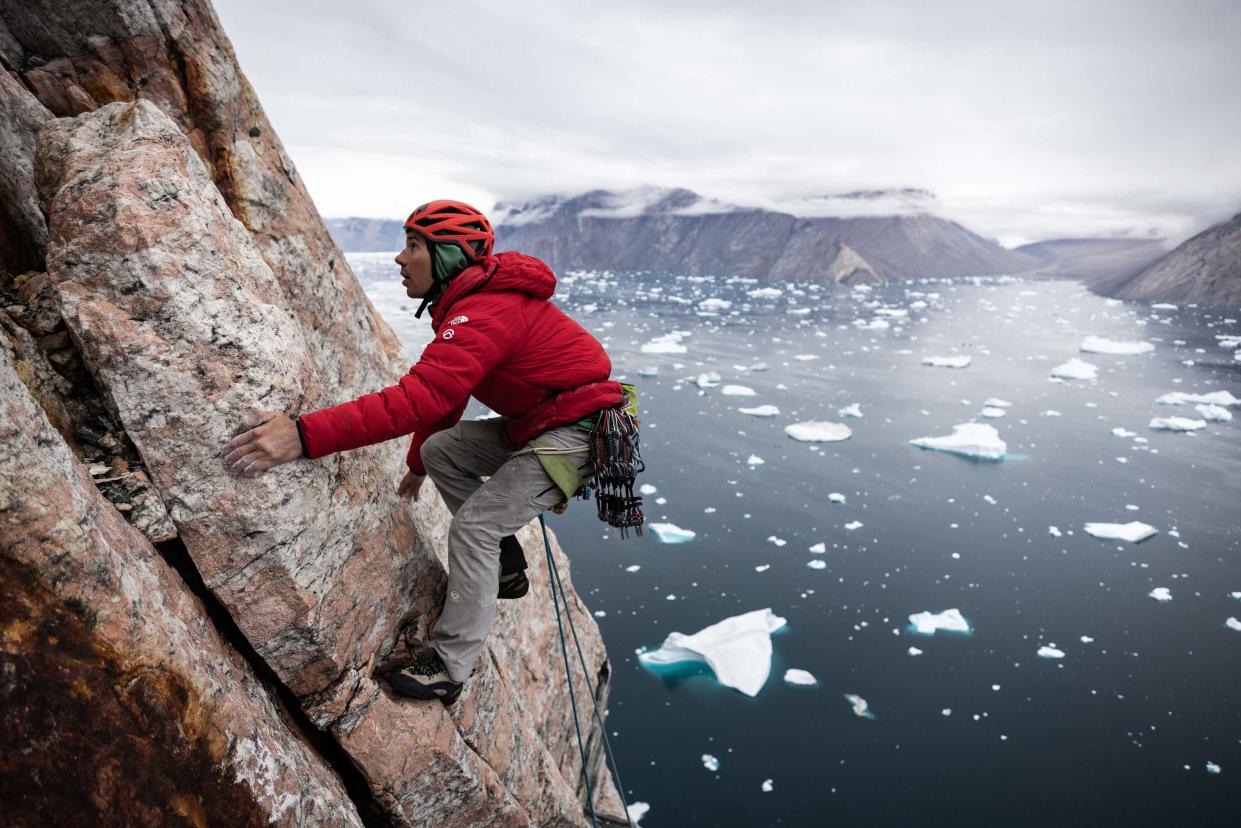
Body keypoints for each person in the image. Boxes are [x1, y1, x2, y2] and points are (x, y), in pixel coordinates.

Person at [219, 200, 625, 706]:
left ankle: (449, 666)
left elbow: (419, 398)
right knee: (442, 450)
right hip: (543, 423)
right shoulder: (469, 306)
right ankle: (503, 567)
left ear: (449, 255)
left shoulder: (487, 310)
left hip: (574, 432)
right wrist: (417, 465)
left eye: (413, 245)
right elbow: (446, 397)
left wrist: (302, 435)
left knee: (477, 525)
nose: (400, 258)